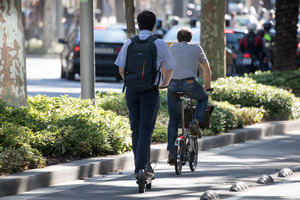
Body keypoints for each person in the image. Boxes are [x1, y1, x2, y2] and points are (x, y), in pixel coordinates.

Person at [114, 10, 176, 178]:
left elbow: (121, 69)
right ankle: (142, 168)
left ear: (138, 24)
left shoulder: (129, 43)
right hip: (150, 91)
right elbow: (170, 66)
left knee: (135, 129)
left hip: (132, 92)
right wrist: (165, 83)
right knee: (145, 130)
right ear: (154, 25)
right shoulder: (159, 43)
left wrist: (131, 81)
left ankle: (140, 167)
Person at [167, 28, 211, 164]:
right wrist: (207, 86)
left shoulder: (171, 48)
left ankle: (172, 152)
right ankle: (195, 121)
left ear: (178, 39)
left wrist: (165, 82)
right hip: (190, 84)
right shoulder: (196, 48)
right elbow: (206, 68)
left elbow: (165, 66)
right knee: (203, 98)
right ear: (190, 39)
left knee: (173, 119)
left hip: (172, 85)